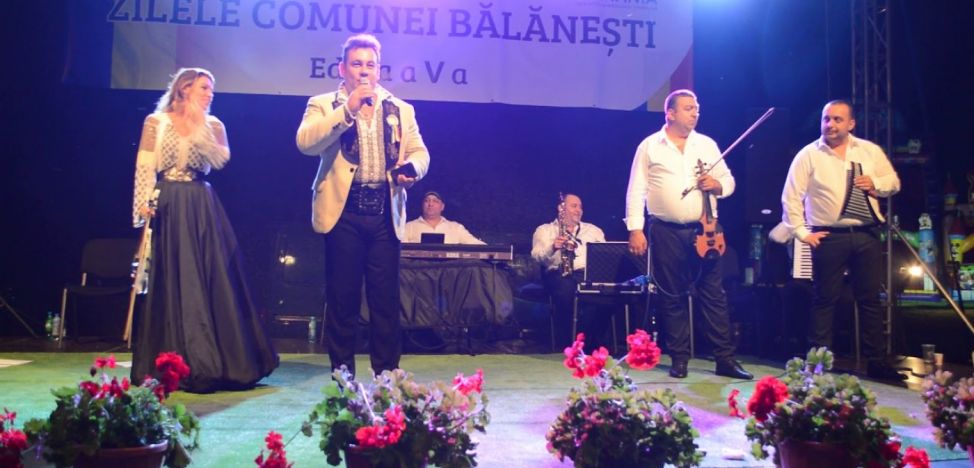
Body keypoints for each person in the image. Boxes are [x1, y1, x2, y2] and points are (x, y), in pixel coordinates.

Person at [130, 67, 279, 393]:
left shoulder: (214, 125)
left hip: (199, 201)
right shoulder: (157, 122)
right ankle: (170, 361)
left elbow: (220, 160)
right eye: (204, 88)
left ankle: (213, 360)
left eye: (211, 89)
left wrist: (200, 127)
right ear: (184, 88)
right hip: (168, 200)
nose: (210, 94)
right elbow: (144, 165)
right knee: (172, 276)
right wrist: (143, 206)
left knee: (209, 274)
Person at [296, 34, 430, 378]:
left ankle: (387, 374)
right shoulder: (323, 104)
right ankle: (343, 376)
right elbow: (306, 143)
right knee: (343, 299)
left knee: (385, 299)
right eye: (357, 64)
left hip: (385, 211)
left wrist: (412, 169)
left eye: (370, 64)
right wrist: (348, 109)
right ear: (342, 69)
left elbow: (420, 152)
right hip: (344, 213)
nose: (364, 70)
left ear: (379, 70)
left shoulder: (400, 109)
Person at [625, 89, 752, 380]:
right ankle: (679, 358)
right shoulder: (650, 146)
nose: (695, 112)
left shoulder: (706, 145)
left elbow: (729, 182)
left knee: (713, 295)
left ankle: (725, 359)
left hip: (706, 230)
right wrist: (635, 228)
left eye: (696, 108)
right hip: (666, 231)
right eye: (688, 108)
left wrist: (716, 185)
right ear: (670, 113)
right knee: (672, 296)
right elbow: (636, 189)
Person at [781, 100, 903, 380]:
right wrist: (802, 232)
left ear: (851, 124)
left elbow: (893, 182)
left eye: (837, 119)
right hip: (829, 236)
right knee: (824, 300)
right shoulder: (809, 155)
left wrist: (875, 184)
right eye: (826, 119)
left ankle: (877, 363)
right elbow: (791, 197)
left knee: (870, 300)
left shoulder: (868, 151)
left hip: (866, 234)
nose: (830, 124)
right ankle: (819, 363)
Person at [531, 193, 607, 348]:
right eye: (574, 206)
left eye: (580, 207)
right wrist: (553, 247)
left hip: (589, 275)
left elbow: (605, 255)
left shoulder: (594, 231)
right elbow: (537, 256)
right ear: (561, 208)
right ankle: (565, 344)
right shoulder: (544, 230)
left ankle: (594, 343)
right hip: (558, 274)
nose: (579, 210)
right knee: (565, 290)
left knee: (608, 296)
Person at [404, 191, 485, 244]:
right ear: (422, 205)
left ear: (442, 206)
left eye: (435, 201)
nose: (430, 204)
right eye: (427, 201)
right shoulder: (409, 227)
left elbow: (475, 244)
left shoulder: (455, 227)